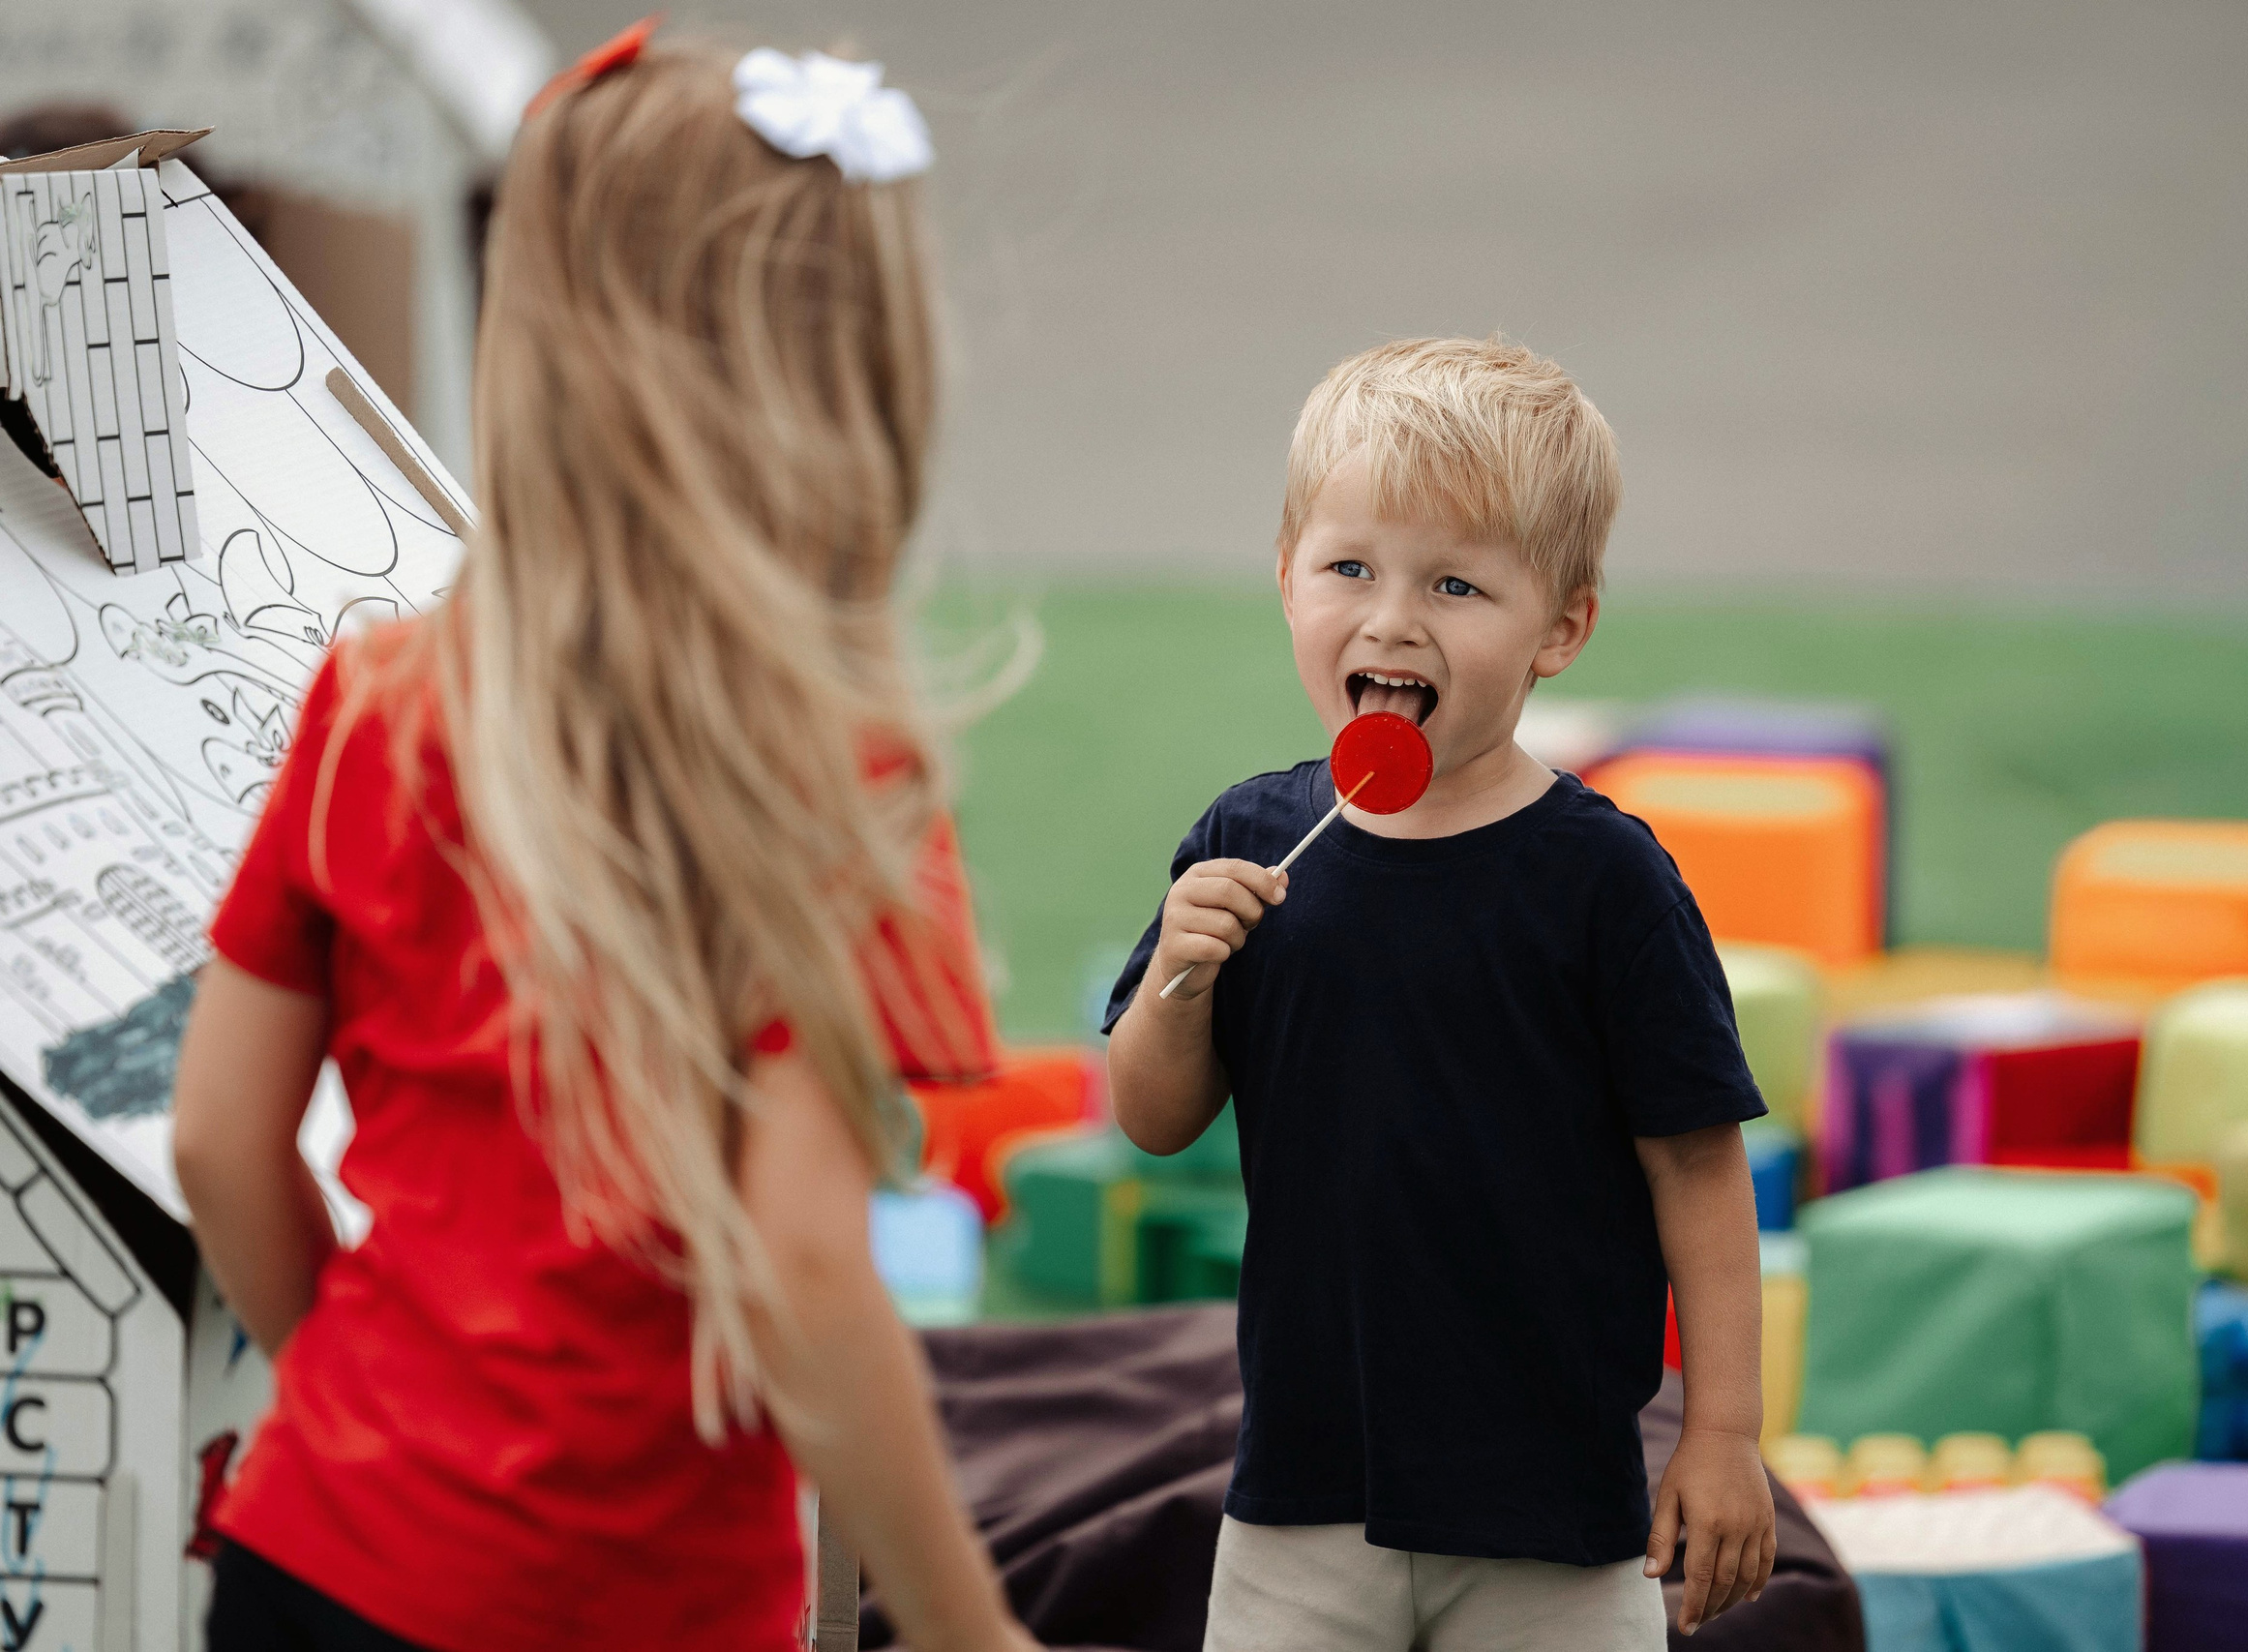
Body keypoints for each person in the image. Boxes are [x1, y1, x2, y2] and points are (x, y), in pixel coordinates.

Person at [172, 30, 1037, 1652]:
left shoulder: (377, 702)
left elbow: (223, 1136)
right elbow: (804, 1266)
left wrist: (359, 1408)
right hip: (632, 1610)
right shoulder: (841, 780)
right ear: (852, 385)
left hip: (317, 1564)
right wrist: (976, 1635)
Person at [1104, 337, 1777, 1648]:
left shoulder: (1605, 881)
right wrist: (1181, 981)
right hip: (1304, 1499)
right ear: (1286, 578)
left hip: (1557, 1521)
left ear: (1562, 629)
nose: (1392, 618)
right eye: (1349, 567)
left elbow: (1697, 1166)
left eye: (1457, 584)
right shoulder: (1243, 839)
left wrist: (1725, 1432)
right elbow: (1154, 1116)